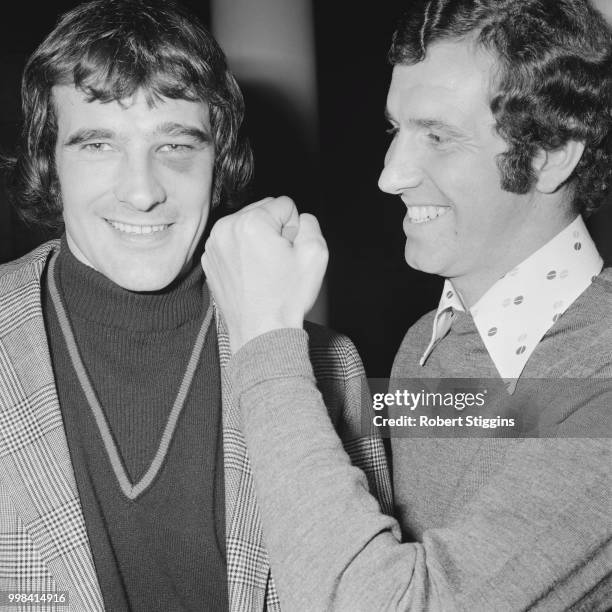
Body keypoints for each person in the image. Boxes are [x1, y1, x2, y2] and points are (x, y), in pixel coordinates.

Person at [203, 0, 612, 610]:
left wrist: (266, 340)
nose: (390, 175)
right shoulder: (426, 346)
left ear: (551, 154)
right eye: (398, 130)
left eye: (439, 136)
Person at [0, 1, 393, 610]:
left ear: (220, 165)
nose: (142, 190)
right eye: (98, 144)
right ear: (49, 162)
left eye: (177, 146)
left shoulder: (329, 367)